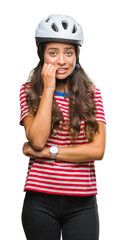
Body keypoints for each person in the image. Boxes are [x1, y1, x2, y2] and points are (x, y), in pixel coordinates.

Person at [20, 14, 106, 240]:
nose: (61, 61)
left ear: (77, 56)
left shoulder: (91, 95)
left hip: (82, 203)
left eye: (68, 52)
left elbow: (97, 150)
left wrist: (49, 152)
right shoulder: (29, 91)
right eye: (53, 52)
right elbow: (37, 139)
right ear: (42, 54)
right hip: (40, 201)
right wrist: (48, 90)